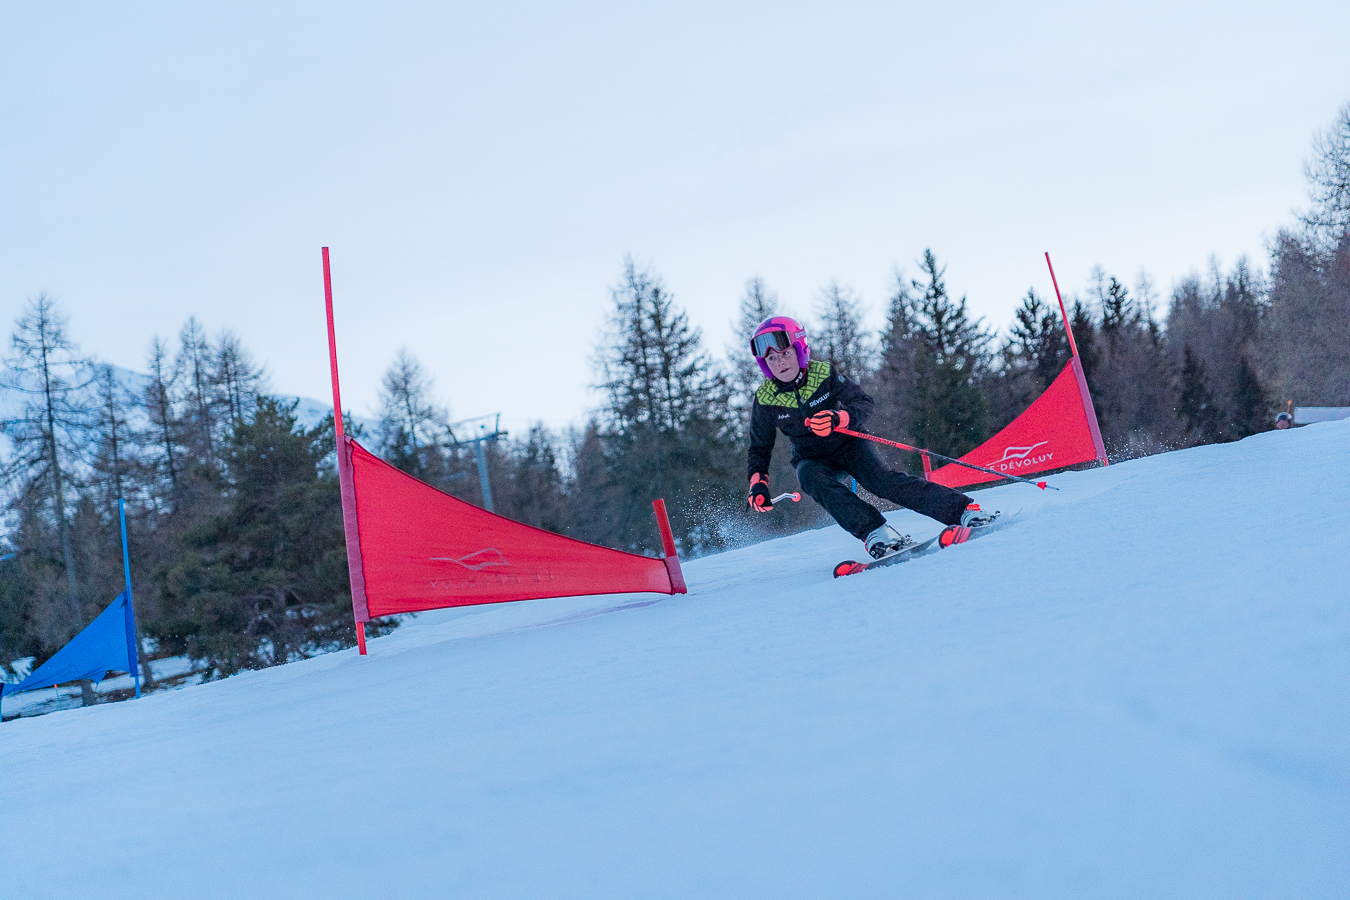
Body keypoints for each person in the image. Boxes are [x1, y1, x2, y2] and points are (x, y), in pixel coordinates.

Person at [744, 316, 994, 559]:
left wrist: (839, 418)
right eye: (771, 358)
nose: (780, 363)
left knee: (881, 482)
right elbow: (759, 447)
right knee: (809, 477)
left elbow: (864, 403)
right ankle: (878, 534)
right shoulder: (765, 399)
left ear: (799, 350)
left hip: (849, 444)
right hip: (812, 457)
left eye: (785, 353)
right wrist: (758, 483)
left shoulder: (823, 374)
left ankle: (964, 510)